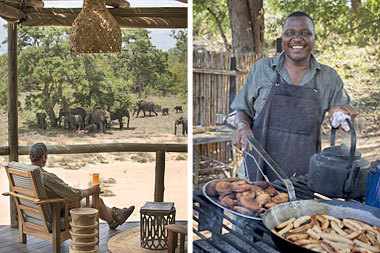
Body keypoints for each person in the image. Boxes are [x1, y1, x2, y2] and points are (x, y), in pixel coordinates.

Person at [231, 11, 357, 182]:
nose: (297, 39)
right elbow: (242, 109)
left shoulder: (329, 78)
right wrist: (242, 126)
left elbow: (344, 123)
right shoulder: (262, 69)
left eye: (305, 33)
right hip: (257, 170)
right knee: (253, 206)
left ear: (314, 38)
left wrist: (341, 115)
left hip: (304, 176)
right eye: (290, 33)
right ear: (282, 38)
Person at [29, 142, 135, 229]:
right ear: (44, 157)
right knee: (96, 200)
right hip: (59, 211)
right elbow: (74, 195)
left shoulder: (28, 173)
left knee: (94, 200)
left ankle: (115, 217)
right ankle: (114, 218)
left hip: (35, 214)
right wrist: (91, 190)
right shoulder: (46, 177)